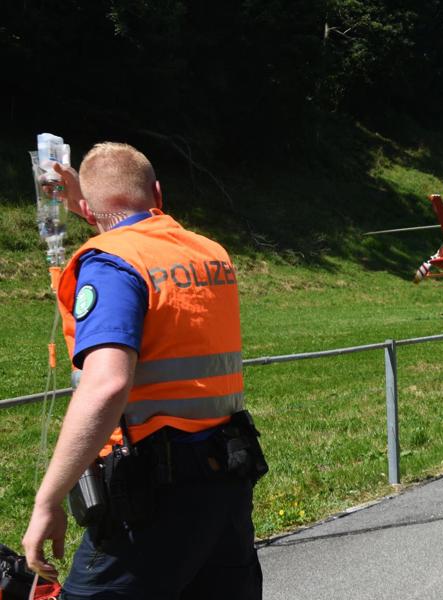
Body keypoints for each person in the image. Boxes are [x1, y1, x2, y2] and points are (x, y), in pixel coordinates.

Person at [21, 142, 264, 599]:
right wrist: (91, 206)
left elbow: (107, 384)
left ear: (89, 208)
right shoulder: (210, 253)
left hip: (152, 493)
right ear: (157, 191)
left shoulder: (111, 263)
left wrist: (48, 500)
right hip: (226, 474)